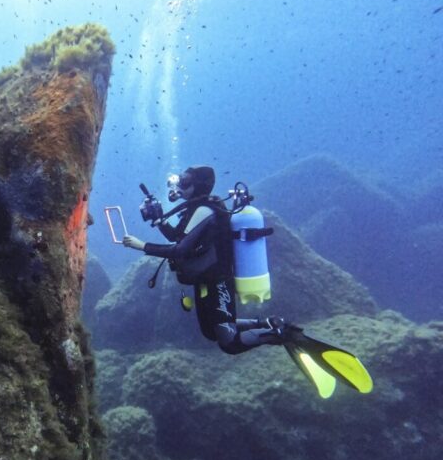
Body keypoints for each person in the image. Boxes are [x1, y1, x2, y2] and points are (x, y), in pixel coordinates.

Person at [122, 166, 373, 398]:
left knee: (230, 343)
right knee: (211, 331)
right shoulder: (197, 209)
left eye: (185, 182)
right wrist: (159, 220)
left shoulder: (205, 210)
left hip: (218, 281)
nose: (179, 186)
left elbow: (180, 249)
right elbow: (179, 235)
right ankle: (267, 324)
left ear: (198, 186)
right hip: (205, 281)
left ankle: (282, 333)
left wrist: (142, 246)